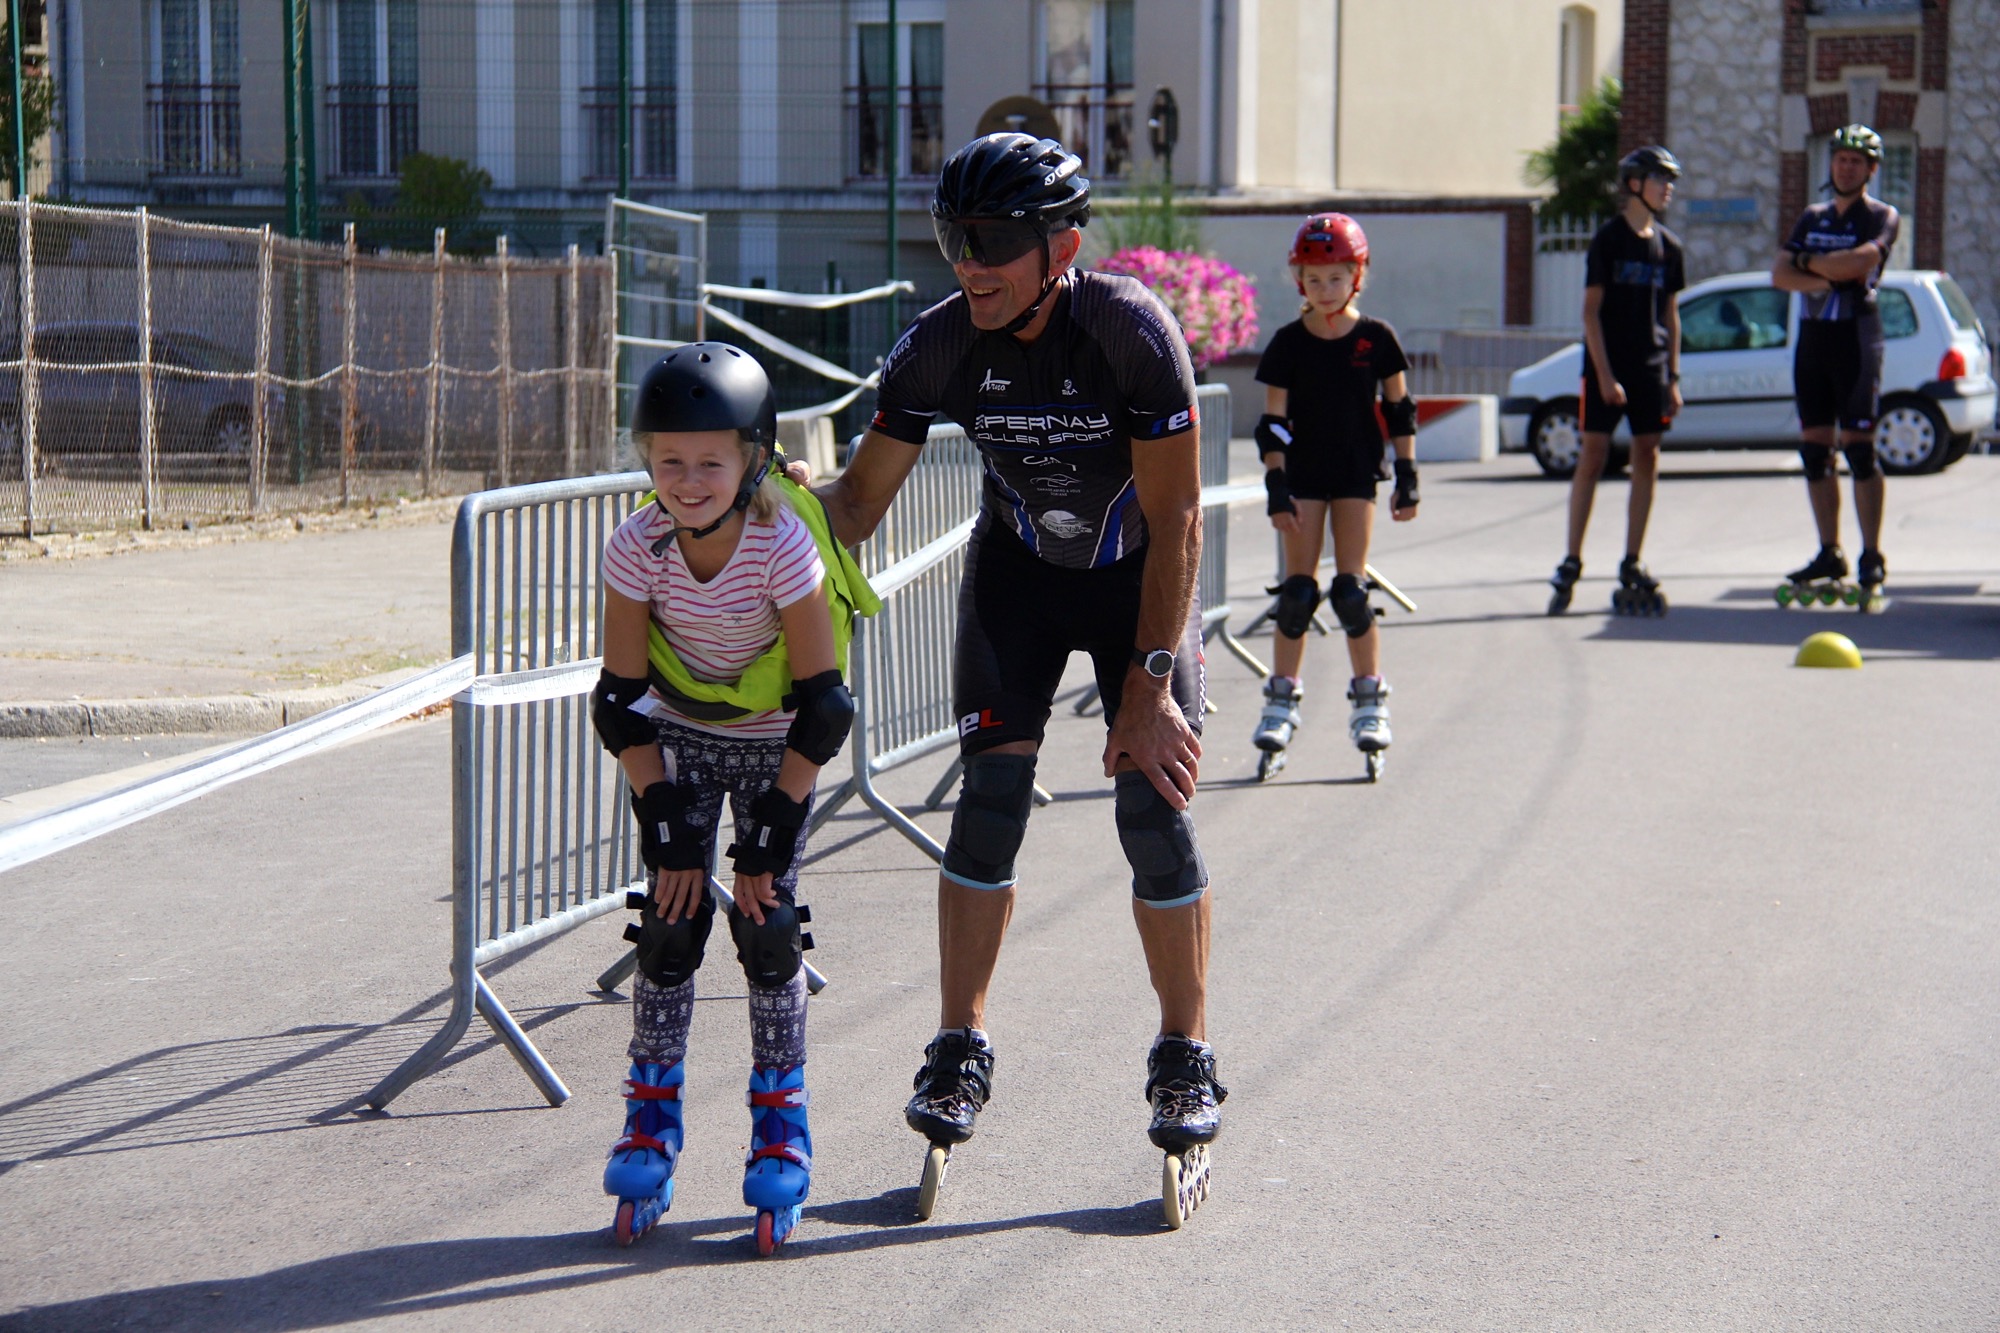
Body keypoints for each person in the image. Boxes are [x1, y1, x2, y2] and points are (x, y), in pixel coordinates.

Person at [810, 132, 1223, 1223]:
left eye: (993, 241)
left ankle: (1183, 1050)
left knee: (1151, 803)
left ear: (1062, 246)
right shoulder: (936, 347)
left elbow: (1177, 514)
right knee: (987, 806)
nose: (970, 263)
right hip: (1019, 581)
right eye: (955, 239)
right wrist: (760, 501)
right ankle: (959, 1043)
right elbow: (853, 511)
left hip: (1136, 580)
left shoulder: (1131, 332)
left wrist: (1147, 685)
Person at [590, 343, 875, 1255]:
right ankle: (650, 1116)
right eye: (667, 459)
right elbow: (619, 699)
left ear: (753, 456)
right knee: (668, 924)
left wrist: (777, 828)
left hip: (773, 741)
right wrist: (664, 823)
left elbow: (825, 703)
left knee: (767, 924)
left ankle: (781, 1121)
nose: (687, 479)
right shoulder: (636, 545)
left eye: (710, 460)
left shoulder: (780, 543)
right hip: (675, 733)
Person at [1250, 213, 1419, 781]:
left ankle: (1370, 700)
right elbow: (1272, 424)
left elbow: (1399, 410)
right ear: (1300, 280)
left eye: (1335, 277)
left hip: (1354, 474)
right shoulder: (1288, 344)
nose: (1325, 289)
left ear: (1357, 275)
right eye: (1313, 278)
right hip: (1302, 477)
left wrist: (1408, 475)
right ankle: (1281, 699)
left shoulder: (1377, 339)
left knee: (1351, 590)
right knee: (1298, 594)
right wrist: (1276, 485)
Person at [1548, 145, 1686, 616]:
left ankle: (1632, 558)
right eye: (1660, 178)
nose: (1667, 187)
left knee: (1648, 454)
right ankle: (1572, 558)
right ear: (1634, 184)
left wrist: (1673, 375)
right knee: (1594, 454)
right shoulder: (1608, 241)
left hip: (1651, 366)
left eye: (1670, 180)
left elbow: (1671, 313)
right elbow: (1590, 313)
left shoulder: (1669, 247)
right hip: (1607, 363)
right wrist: (1605, 376)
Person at [1770, 124, 1900, 606]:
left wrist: (1812, 264)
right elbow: (1778, 275)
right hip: (1814, 342)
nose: (1845, 167)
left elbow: (1860, 265)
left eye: (1856, 161)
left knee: (1860, 450)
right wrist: (1821, 271)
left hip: (1857, 339)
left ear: (1871, 170)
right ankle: (1830, 551)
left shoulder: (1882, 216)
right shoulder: (1812, 215)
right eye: (1840, 159)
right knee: (1814, 451)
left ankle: (1871, 554)